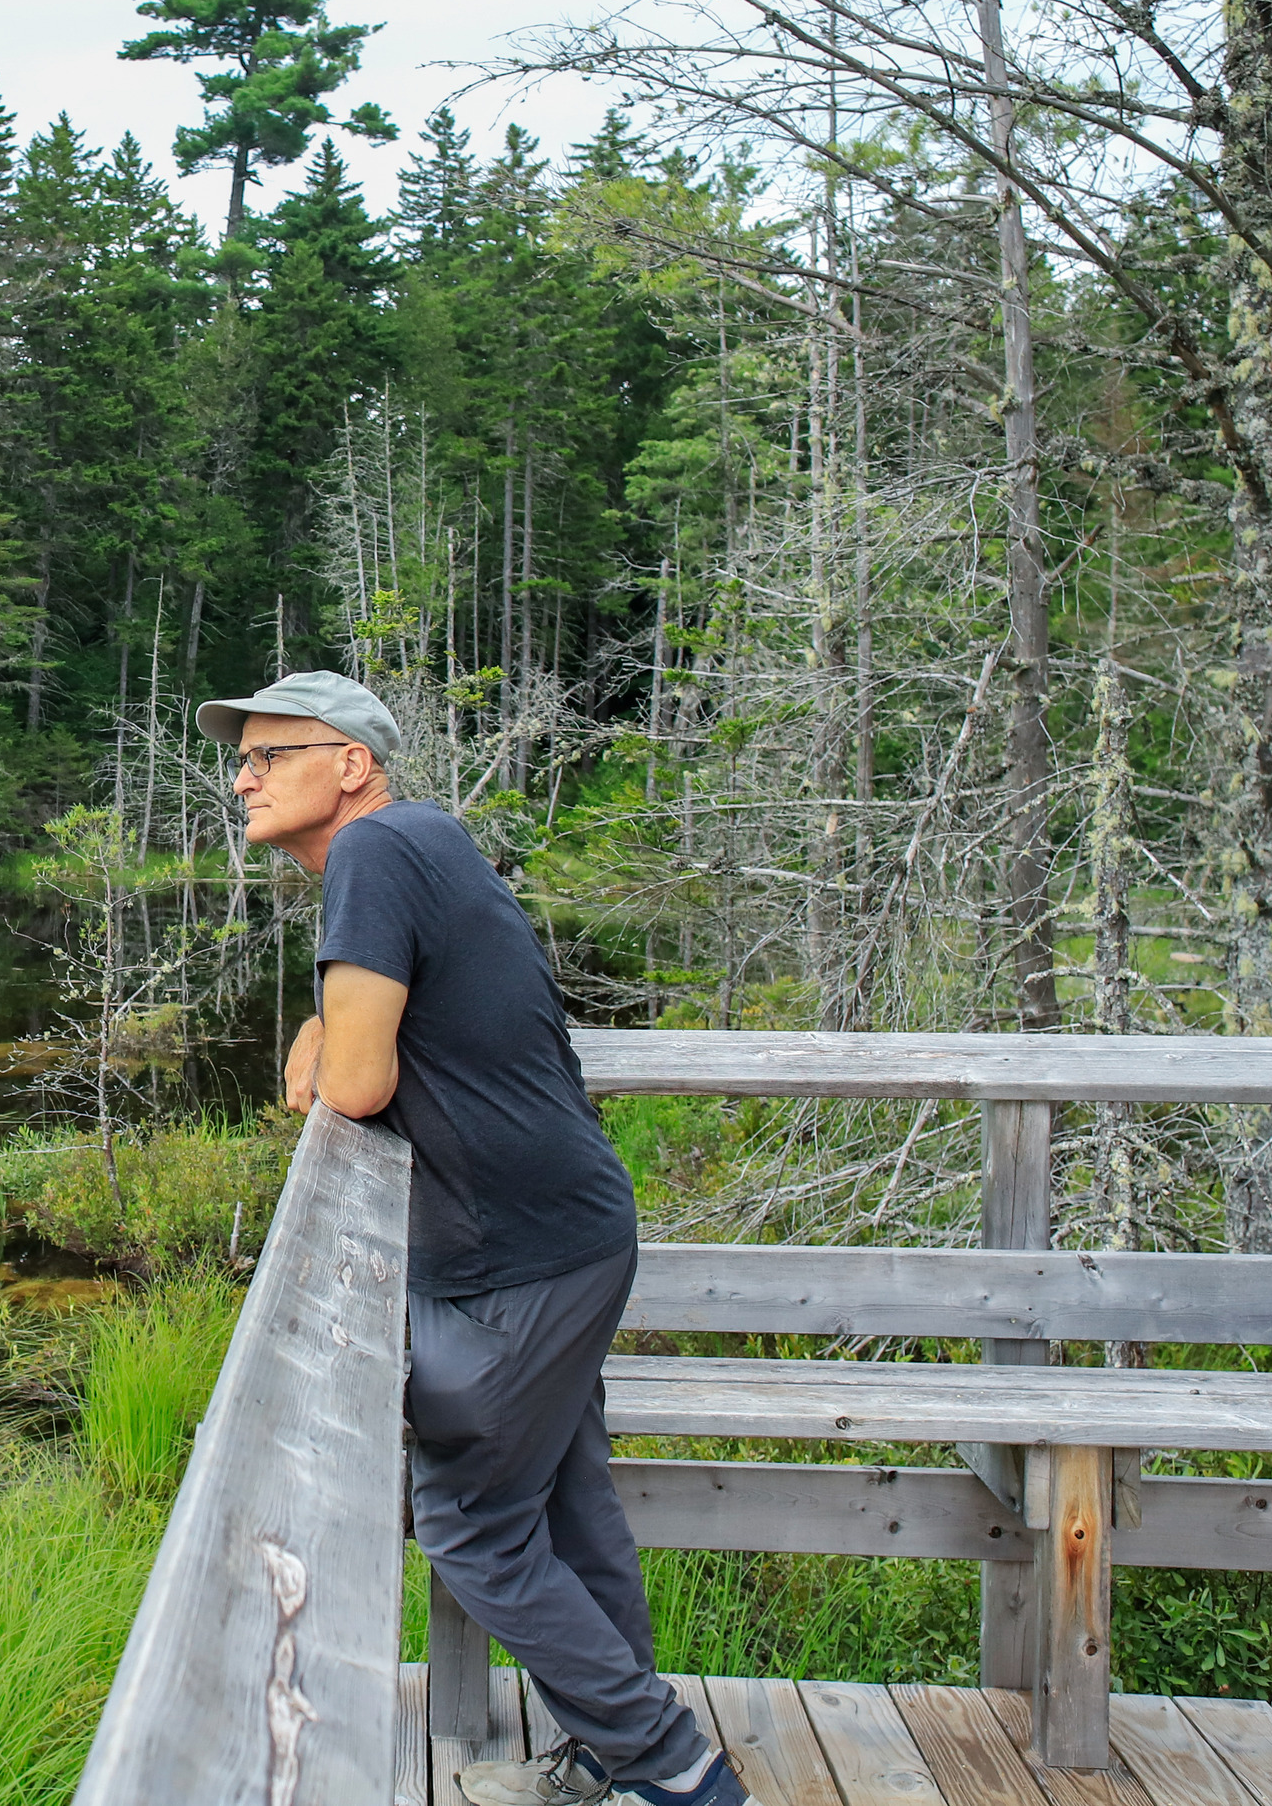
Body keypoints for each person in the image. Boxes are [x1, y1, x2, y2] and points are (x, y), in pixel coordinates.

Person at [195, 669, 747, 1806]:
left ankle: (671, 1765)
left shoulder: (372, 855)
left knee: (470, 1524)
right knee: (563, 1496)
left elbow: (353, 1082)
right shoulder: (421, 842)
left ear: (351, 764)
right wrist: (313, 1017)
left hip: (520, 1253)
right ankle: (622, 1752)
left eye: (269, 754)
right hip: (567, 1230)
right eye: (239, 759)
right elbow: (381, 1034)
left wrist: (317, 1039)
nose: (241, 776)